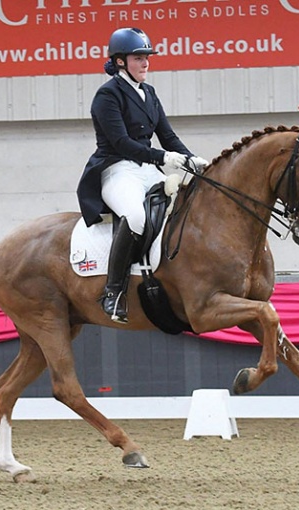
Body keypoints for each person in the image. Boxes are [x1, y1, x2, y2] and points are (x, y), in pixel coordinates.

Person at [76, 27, 208, 324]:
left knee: (185, 203)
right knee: (136, 217)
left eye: (147, 57)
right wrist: (163, 157)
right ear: (121, 61)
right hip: (116, 169)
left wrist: (192, 160)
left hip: (146, 169)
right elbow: (122, 142)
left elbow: (167, 136)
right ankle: (114, 292)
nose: (146, 62)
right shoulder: (107, 94)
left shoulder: (149, 93)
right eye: (139, 57)